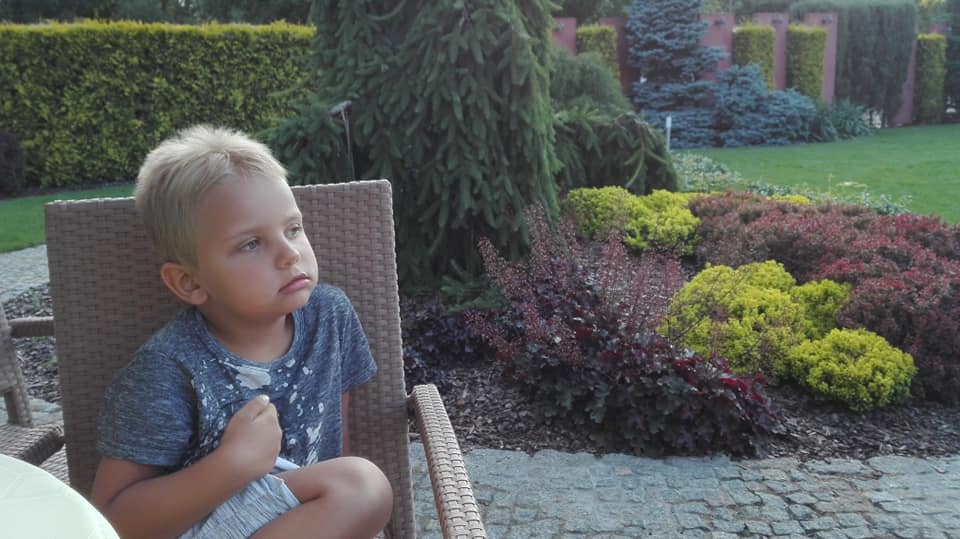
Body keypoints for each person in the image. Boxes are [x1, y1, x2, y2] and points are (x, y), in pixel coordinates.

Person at [90, 125, 393, 539]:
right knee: (361, 485)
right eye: (251, 243)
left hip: (300, 516)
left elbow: (333, 439)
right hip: (205, 524)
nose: (290, 254)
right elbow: (111, 520)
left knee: (356, 487)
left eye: (293, 229)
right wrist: (232, 464)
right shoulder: (167, 370)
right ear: (190, 282)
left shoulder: (329, 316)